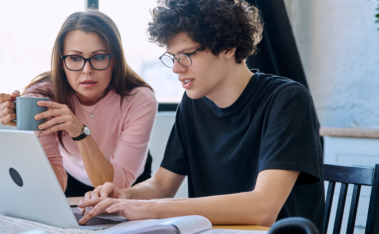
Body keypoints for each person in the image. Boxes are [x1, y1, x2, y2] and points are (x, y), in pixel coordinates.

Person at [78, 0, 325, 229]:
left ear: (229, 47)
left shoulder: (287, 99)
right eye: (173, 57)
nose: (176, 68)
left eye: (187, 55)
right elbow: (163, 184)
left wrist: (151, 209)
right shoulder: (193, 104)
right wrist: (125, 196)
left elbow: (263, 208)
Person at [0, 10, 158, 197]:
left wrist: (80, 132)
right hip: (70, 177)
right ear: (61, 61)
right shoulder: (41, 96)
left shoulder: (139, 99)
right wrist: (28, 130)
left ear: (116, 60)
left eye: (99, 57)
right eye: (75, 58)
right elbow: (52, 187)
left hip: (126, 179)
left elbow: (116, 185)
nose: (87, 70)